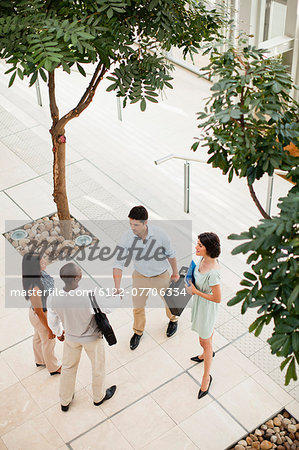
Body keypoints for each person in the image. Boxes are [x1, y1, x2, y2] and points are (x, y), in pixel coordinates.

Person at [47, 262, 116, 411]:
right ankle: (98, 397)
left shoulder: (53, 297)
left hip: (71, 338)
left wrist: (59, 333)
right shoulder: (90, 295)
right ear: (78, 277)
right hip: (92, 339)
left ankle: (65, 400)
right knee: (97, 367)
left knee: (68, 368)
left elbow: (52, 321)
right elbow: (109, 308)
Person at [113, 205, 180, 350]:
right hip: (140, 275)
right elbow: (118, 262)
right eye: (130, 224)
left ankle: (173, 319)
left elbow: (170, 254)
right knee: (137, 306)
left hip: (161, 274)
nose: (132, 228)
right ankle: (138, 331)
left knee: (169, 301)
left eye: (136, 225)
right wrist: (117, 287)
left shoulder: (160, 235)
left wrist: (175, 272)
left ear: (145, 223)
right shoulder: (127, 237)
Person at [185, 232, 221, 399]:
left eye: (200, 245)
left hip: (207, 308)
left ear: (208, 248)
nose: (196, 247)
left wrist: (195, 291)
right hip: (201, 304)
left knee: (203, 341)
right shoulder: (202, 259)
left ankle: (206, 377)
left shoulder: (213, 272)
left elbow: (217, 298)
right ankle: (208, 351)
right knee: (206, 338)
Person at [22, 252, 61, 375]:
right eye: (40, 260)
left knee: (38, 337)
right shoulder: (34, 285)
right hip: (40, 316)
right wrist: (50, 328)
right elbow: (39, 311)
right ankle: (54, 367)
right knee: (49, 341)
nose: (44, 260)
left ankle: (40, 360)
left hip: (36, 314)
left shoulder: (39, 274)